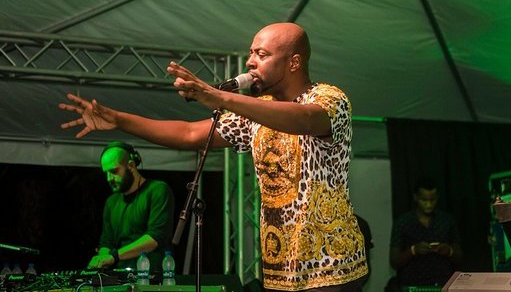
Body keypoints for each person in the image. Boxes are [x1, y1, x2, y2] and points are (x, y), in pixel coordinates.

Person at [59, 22, 368, 292]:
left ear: (294, 61)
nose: (250, 61)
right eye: (250, 53)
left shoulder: (329, 98)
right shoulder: (255, 113)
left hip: (331, 262)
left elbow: (303, 120)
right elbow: (189, 134)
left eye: (262, 54)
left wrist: (217, 95)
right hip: (281, 265)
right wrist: (119, 120)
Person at [87, 141, 175, 273]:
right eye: (106, 173)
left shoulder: (157, 190)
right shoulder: (111, 202)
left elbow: (155, 237)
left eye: (114, 171)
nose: (109, 178)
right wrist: (101, 260)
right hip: (120, 278)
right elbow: (106, 242)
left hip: (152, 278)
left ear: (131, 166)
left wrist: (114, 256)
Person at [387, 176, 462, 290]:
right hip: (412, 285)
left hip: (443, 284)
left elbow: (460, 256)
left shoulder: (447, 221)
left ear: (438, 197)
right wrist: (413, 251)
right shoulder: (403, 222)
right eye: (424, 200)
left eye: (432, 200)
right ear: (416, 197)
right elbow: (394, 261)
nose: (428, 205)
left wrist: (449, 251)